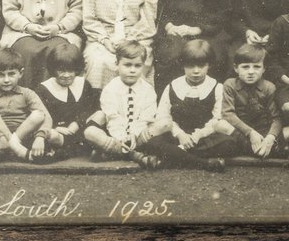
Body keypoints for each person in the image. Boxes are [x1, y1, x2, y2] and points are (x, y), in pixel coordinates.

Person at [140, 39, 228, 170]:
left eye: (201, 66)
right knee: (153, 142)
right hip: (176, 137)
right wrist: (180, 134)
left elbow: (217, 119)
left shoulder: (217, 87)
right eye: (190, 66)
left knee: (228, 143)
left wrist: (199, 135)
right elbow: (163, 116)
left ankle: (172, 158)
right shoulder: (173, 86)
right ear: (183, 65)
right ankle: (204, 163)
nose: (196, 71)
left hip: (203, 138)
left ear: (209, 65)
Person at [84, 41, 166, 168]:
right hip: (115, 135)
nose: (132, 70)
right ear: (117, 65)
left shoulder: (148, 90)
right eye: (127, 65)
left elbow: (146, 118)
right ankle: (135, 155)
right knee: (90, 132)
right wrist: (122, 137)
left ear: (143, 66)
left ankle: (113, 152)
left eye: (137, 66)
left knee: (164, 124)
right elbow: (112, 117)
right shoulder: (110, 88)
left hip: (138, 136)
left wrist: (133, 134)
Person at [0, 47, 52, 161]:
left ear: (20, 73)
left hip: (24, 137)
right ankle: (19, 151)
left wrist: (40, 137)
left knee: (38, 114)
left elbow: (47, 117)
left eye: (11, 74)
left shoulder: (27, 93)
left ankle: (13, 147)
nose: (6, 80)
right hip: (1, 139)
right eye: (1, 75)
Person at [211, 43, 281, 160]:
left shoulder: (269, 87)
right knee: (220, 125)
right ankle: (259, 150)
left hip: (263, 130)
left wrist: (270, 138)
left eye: (256, 67)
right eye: (245, 67)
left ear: (264, 69)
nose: (251, 72)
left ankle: (260, 148)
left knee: (285, 132)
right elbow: (228, 114)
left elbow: (276, 118)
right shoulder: (230, 84)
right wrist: (250, 133)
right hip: (241, 132)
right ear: (235, 68)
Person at [35, 44, 96, 161]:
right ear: (53, 69)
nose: (67, 75)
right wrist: (57, 127)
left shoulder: (84, 84)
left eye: (71, 70)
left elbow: (90, 108)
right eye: (61, 70)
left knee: (98, 117)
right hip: (60, 133)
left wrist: (77, 124)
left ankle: (67, 151)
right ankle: (72, 150)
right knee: (51, 135)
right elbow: (42, 116)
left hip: (81, 130)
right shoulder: (43, 89)